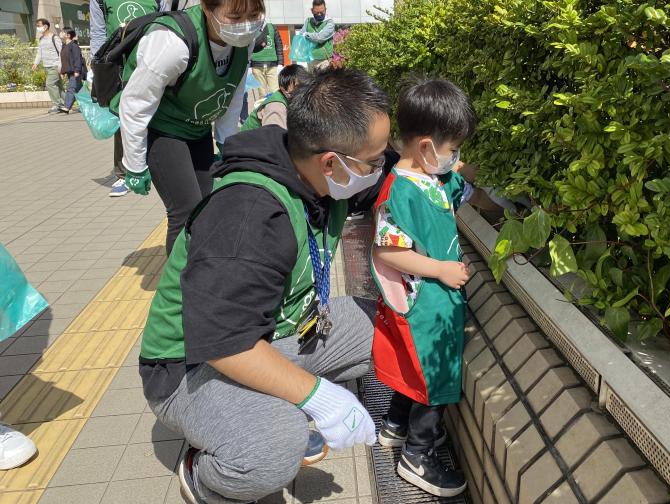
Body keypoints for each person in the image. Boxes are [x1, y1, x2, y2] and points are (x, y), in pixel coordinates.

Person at [139, 68, 394, 504]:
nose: (379, 167)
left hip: (272, 331)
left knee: (387, 328)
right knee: (275, 449)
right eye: (373, 161)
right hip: (191, 365)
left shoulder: (312, 169)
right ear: (331, 162)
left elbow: (391, 183)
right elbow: (225, 343)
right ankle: (206, 478)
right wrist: (320, 398)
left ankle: (268, 407)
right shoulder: (248, 217)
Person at [371, 77, 478, 497]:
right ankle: (418, 454)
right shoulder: (399, 191)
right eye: (452, 149)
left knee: (413, 375)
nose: (456, 158)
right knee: (433, 374)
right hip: (425, 304)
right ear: (426, 147)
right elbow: (389, 253)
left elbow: (467, 184)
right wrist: (440, 270)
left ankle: (395, 426)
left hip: (435, 298)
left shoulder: (433, 178)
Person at [112, 0, 264, 254]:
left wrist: (226, 145)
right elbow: (134, 104)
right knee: (185, 212)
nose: (246, 24)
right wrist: (134, 164)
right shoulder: (172, 44)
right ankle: (177, 295)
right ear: (207, 8)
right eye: (234, 16)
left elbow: (232, 95)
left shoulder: (244, 41)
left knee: (208, 206)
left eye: (254, 14)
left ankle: (203, 274)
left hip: (197, 130)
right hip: (162, 130)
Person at [90, 0, 168, 198]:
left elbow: (168, 23)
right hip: (120, 65)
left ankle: (159, 164)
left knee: (159, 113)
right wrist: (97, 66)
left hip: (152, 61)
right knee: (124, 115)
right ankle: (124, 173)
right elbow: (98, 33)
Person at [240, 64, 309, 131]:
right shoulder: (276, 107)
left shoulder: (295, 100)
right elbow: (274, 138)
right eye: (296, 87)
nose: (301, 91)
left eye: (304, 86)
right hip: (250, 141)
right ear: (283, 89)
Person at [31, 19, 64, 114]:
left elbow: (61, 52)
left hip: (55, 65)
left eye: (39, 25)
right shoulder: (41, 39)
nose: (38, 28)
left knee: (50, 84)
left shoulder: (55, 38)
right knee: (58, 86)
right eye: (37, 25)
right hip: (47, 66)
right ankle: (68, 102)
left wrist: (60, 66)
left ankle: (57, 105)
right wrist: (35, 63)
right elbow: (39, 52)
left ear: (45, 26)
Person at [250, 21, 284, 99]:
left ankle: (276, 109)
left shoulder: (271, 27)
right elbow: (247, 46)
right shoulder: (251, 28)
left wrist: (280, 63)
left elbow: (278, 44)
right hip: (256, 65)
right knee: (262, 93)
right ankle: (263, 109)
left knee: (275, 91)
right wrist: (248, 64)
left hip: (272, 65)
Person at [58, 27, 87, 114]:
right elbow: (64, 60)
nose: (60, 33)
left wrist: (77, 70)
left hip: (76, 71)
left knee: (71, 88)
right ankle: (87, 105)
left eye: (62, 32)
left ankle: (66, 107)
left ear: (68, 35)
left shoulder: (74, 46)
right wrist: (62, 72)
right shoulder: (64, 46)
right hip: (70, 71)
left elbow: (77, 59)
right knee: (80, 91)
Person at [301, 0, 335, 72]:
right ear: (312, 10)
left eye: (322, 12)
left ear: (325, 9)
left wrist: (306, 34)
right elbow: (301, 35)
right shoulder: (308, 21)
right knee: (311, 83)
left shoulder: (330, 23)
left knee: (323, 83)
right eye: (316, 12)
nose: (319, 14)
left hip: (324, 61)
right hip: (310, 60)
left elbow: (320, 38)